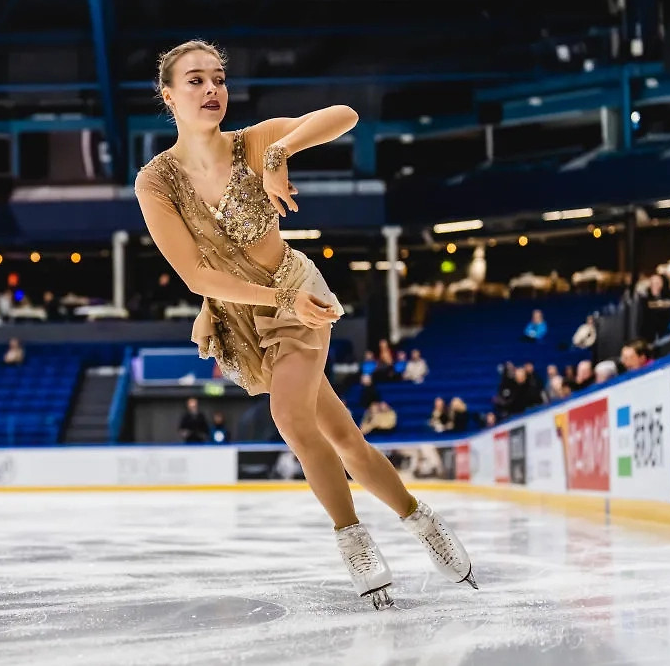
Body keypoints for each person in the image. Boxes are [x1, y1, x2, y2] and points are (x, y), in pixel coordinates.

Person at [134, 40, 475, 610]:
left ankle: (353, 539)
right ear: (168, 96)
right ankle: (421, 520)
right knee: (345, 439)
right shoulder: (156, 182)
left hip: (300, 295)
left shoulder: (251, 143)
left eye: (218, 78)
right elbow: (196, 272)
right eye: (195, 81)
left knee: (289, 416)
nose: (212, 89)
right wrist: (228, 307)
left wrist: (281, 151)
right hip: (242, 316)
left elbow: (345, 115)